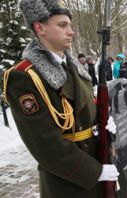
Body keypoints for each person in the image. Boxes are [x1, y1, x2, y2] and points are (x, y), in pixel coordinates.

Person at [3, 1, 119, 197]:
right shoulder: (24, 76)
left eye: (70, 25)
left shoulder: (74, 67)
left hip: (96, 164)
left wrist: (103, 124)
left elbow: (84, 113)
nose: (71, 32)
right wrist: (95, 171)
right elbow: (45, 144)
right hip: (69, 180)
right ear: (40, 28)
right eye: (62, 25)